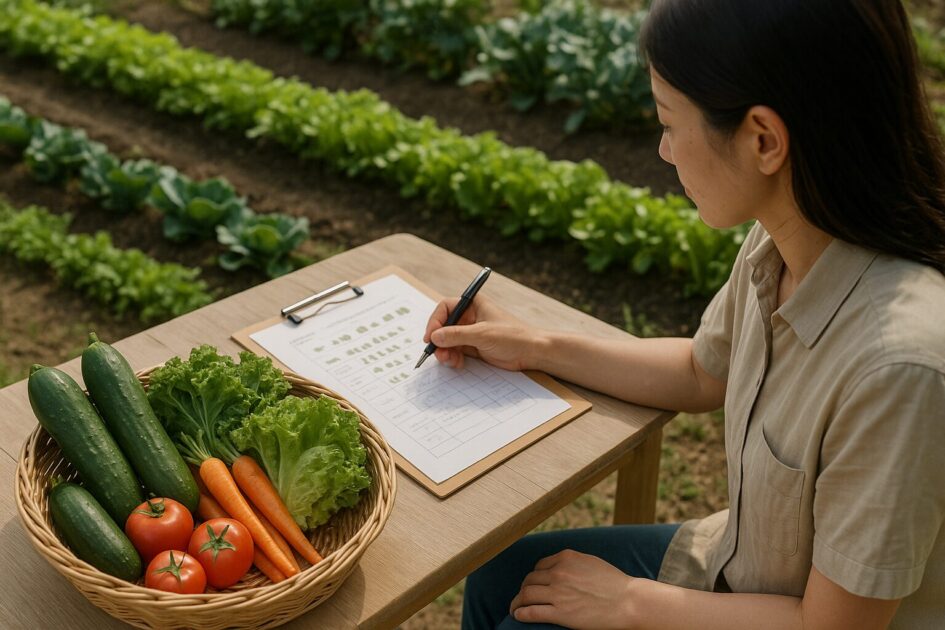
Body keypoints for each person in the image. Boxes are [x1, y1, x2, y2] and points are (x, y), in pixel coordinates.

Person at [422, 1, 945, 628]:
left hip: (797, 616)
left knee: (518, 617)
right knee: (498, 580)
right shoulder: (786, 237)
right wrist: (529, 344)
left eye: (670, 123)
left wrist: (630, 603)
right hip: (735, 565)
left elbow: (832, 625)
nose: (665, 152)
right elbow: (701, 372)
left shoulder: (899, 367)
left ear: (763, 140)